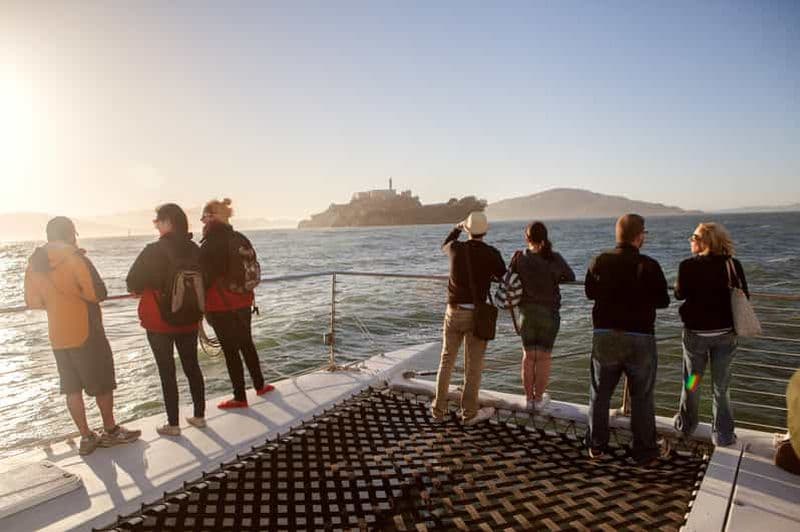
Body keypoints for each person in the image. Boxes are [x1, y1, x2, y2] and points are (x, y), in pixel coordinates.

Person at [24, 217, 140, 455]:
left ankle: (86, 437)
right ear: (70, 235)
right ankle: (111, 431)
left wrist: (57, 303)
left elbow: (33, 302)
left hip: (57, 333)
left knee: (71, 389)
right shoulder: (76, 258)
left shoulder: (34, 263)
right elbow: (98, 293)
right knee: (103, 383)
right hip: (87, 330)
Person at [584, 213, 670, 464]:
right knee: (642, 397)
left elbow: (590, 292)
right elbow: (663, 301)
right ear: (639, 236)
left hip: (605, 335)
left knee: (600, 394)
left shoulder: (599, 260)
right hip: (640, 336)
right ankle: (645, 452)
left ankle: (597, 446)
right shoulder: (650, 265)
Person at [126, 204, 207, 436]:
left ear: (167, 222)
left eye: (157, 221)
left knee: (167, 371)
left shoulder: (153, 250)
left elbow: (132, 283)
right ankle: (199, 416)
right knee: (192, 366)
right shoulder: (194, 249)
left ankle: (173, 424)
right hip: (190, 317)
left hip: (159, 321)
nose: (155, 225)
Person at [673, 222, 749, 447]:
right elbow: (745, 295)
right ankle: (723, 435)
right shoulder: (732, 265)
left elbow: (679, 294)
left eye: (693, 236)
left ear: (704, 241)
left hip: (696, 337)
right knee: (721, 385)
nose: (691, 240)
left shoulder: (687, 266)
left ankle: (686, 427)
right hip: (725, 337)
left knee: (693, 382)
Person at [432, 211, 506, 426]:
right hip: (475, 315)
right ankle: (469, 414)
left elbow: (445, 243)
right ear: (485, 231)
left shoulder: (456, 248)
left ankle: (438, 412)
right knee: (472, 367)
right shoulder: (491, 253)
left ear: (467, 229)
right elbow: (503, 275)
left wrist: (457, 227)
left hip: (452, 312)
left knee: (446, 362)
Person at [199, 198, 273, 409]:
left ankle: (239, 397)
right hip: (244, 300)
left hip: (221, 305)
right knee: (246, 343)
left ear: (212, 217)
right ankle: (260, 385)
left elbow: (204, 277)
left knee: (231, 351)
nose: (203, 222)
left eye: (204, 217)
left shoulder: (211, 242)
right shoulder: (239, 238)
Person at [511, 221, 575, 411]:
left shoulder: (519, 257)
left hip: (526, 314)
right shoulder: (554, 258)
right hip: (549, 314)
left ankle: (528, 398)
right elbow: (570, 276)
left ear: (527, 238)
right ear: (545, 238)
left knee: (528, 357)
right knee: (544, 357)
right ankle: (538, 399)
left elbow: (509, 278)